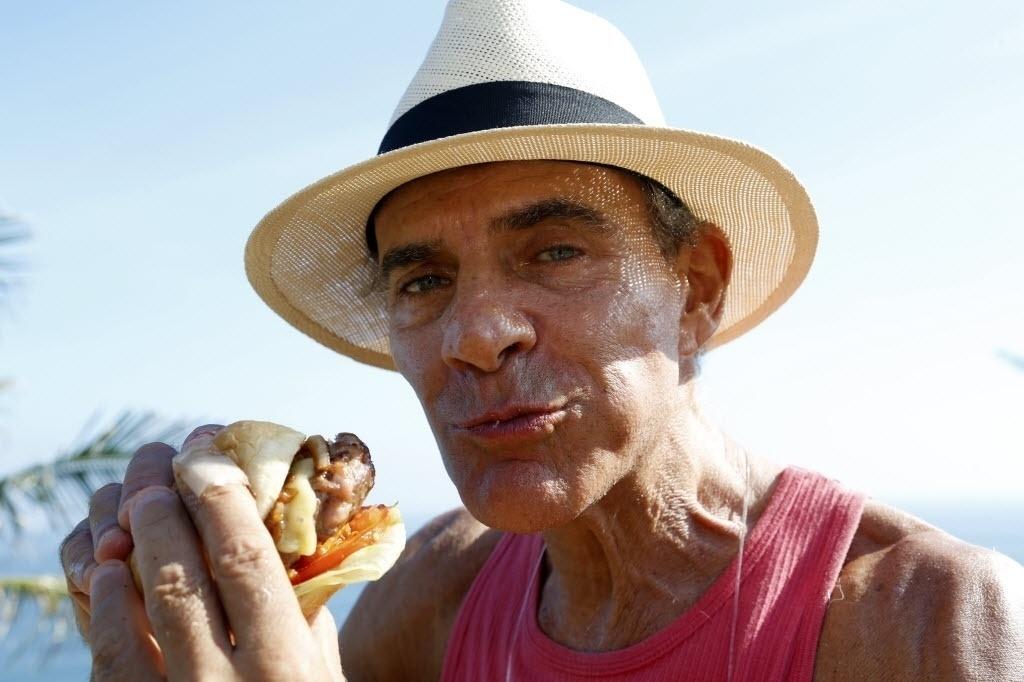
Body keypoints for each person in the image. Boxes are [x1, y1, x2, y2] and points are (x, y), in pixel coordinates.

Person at [60, 0, 1023, 680]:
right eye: (424, 280)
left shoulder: (927, 624)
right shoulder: (428, 599)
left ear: (697, 288)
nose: (476, 335)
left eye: (556, 249)